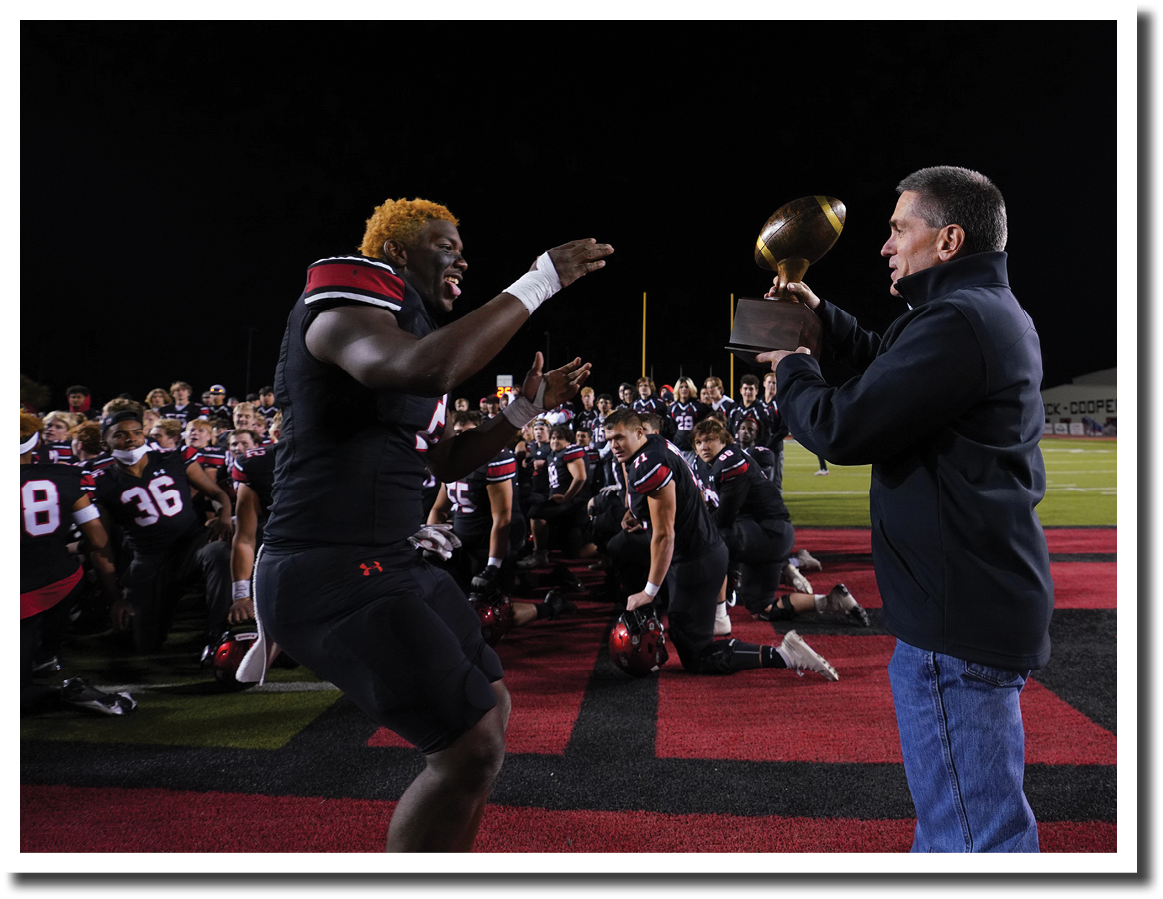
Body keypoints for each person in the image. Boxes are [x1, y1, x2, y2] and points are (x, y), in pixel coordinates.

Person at [253, 195, 612, 853]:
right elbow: (426, 367)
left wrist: (521, 412)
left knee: (491, 709)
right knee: (468, 746)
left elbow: (441, 459)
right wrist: (541, 280)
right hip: (326, 569)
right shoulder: (341, 307)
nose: (463, 257)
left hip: (387, 557)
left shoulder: (406, 329)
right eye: (446, 244)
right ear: (394, 253)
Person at [759, 165, 1052, 853]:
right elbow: (884, 363)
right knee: (954, 826)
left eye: (898, 228)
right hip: (970, 601)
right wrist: (820, 317)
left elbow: (844, 425)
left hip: (956, 618)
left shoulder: (956, 321)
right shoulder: (969, 312)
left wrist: (791, 365)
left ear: (947, 239)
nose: (885, 246)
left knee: (975, 840)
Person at [604, 408, 837, 680]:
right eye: (609, 439)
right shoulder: (655, 445)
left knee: (696, 654)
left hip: (695, 557)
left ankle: (786, 655)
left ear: (639, 433)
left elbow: (665, 534)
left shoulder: (649, 463)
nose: (614, 445)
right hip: (700, 550)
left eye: (619, 437)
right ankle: (722, 617)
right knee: (626, 554)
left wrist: (649, 591)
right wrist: (641, 520)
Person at [692, 417, 867, 627]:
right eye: (699, 442)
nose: (703, 446)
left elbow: (723, 518)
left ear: (724, 441)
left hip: (768, 532)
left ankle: (719, 617)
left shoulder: (730, 461)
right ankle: (830, 601)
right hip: (762, 535)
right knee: (761, 610)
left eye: (709, 440)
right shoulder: (705, 465)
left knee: (711, 537)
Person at [90, 410, 234, 655]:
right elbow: (100, 546)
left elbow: (217, 493)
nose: (132, 439)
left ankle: (217, 633)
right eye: (121, 434)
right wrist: (114, 597)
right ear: (106, 442)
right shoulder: (100, 483)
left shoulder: (175, 459)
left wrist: (224, 516)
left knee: (219, 552)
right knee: (144, 644)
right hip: (149, 561)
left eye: (137, 432)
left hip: (190, 547)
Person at [20, 412, 135, 716]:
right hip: (61, 580)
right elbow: (98, 540)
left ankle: (61, 684)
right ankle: (48, 654)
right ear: (36, 442)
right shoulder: (66, 475)